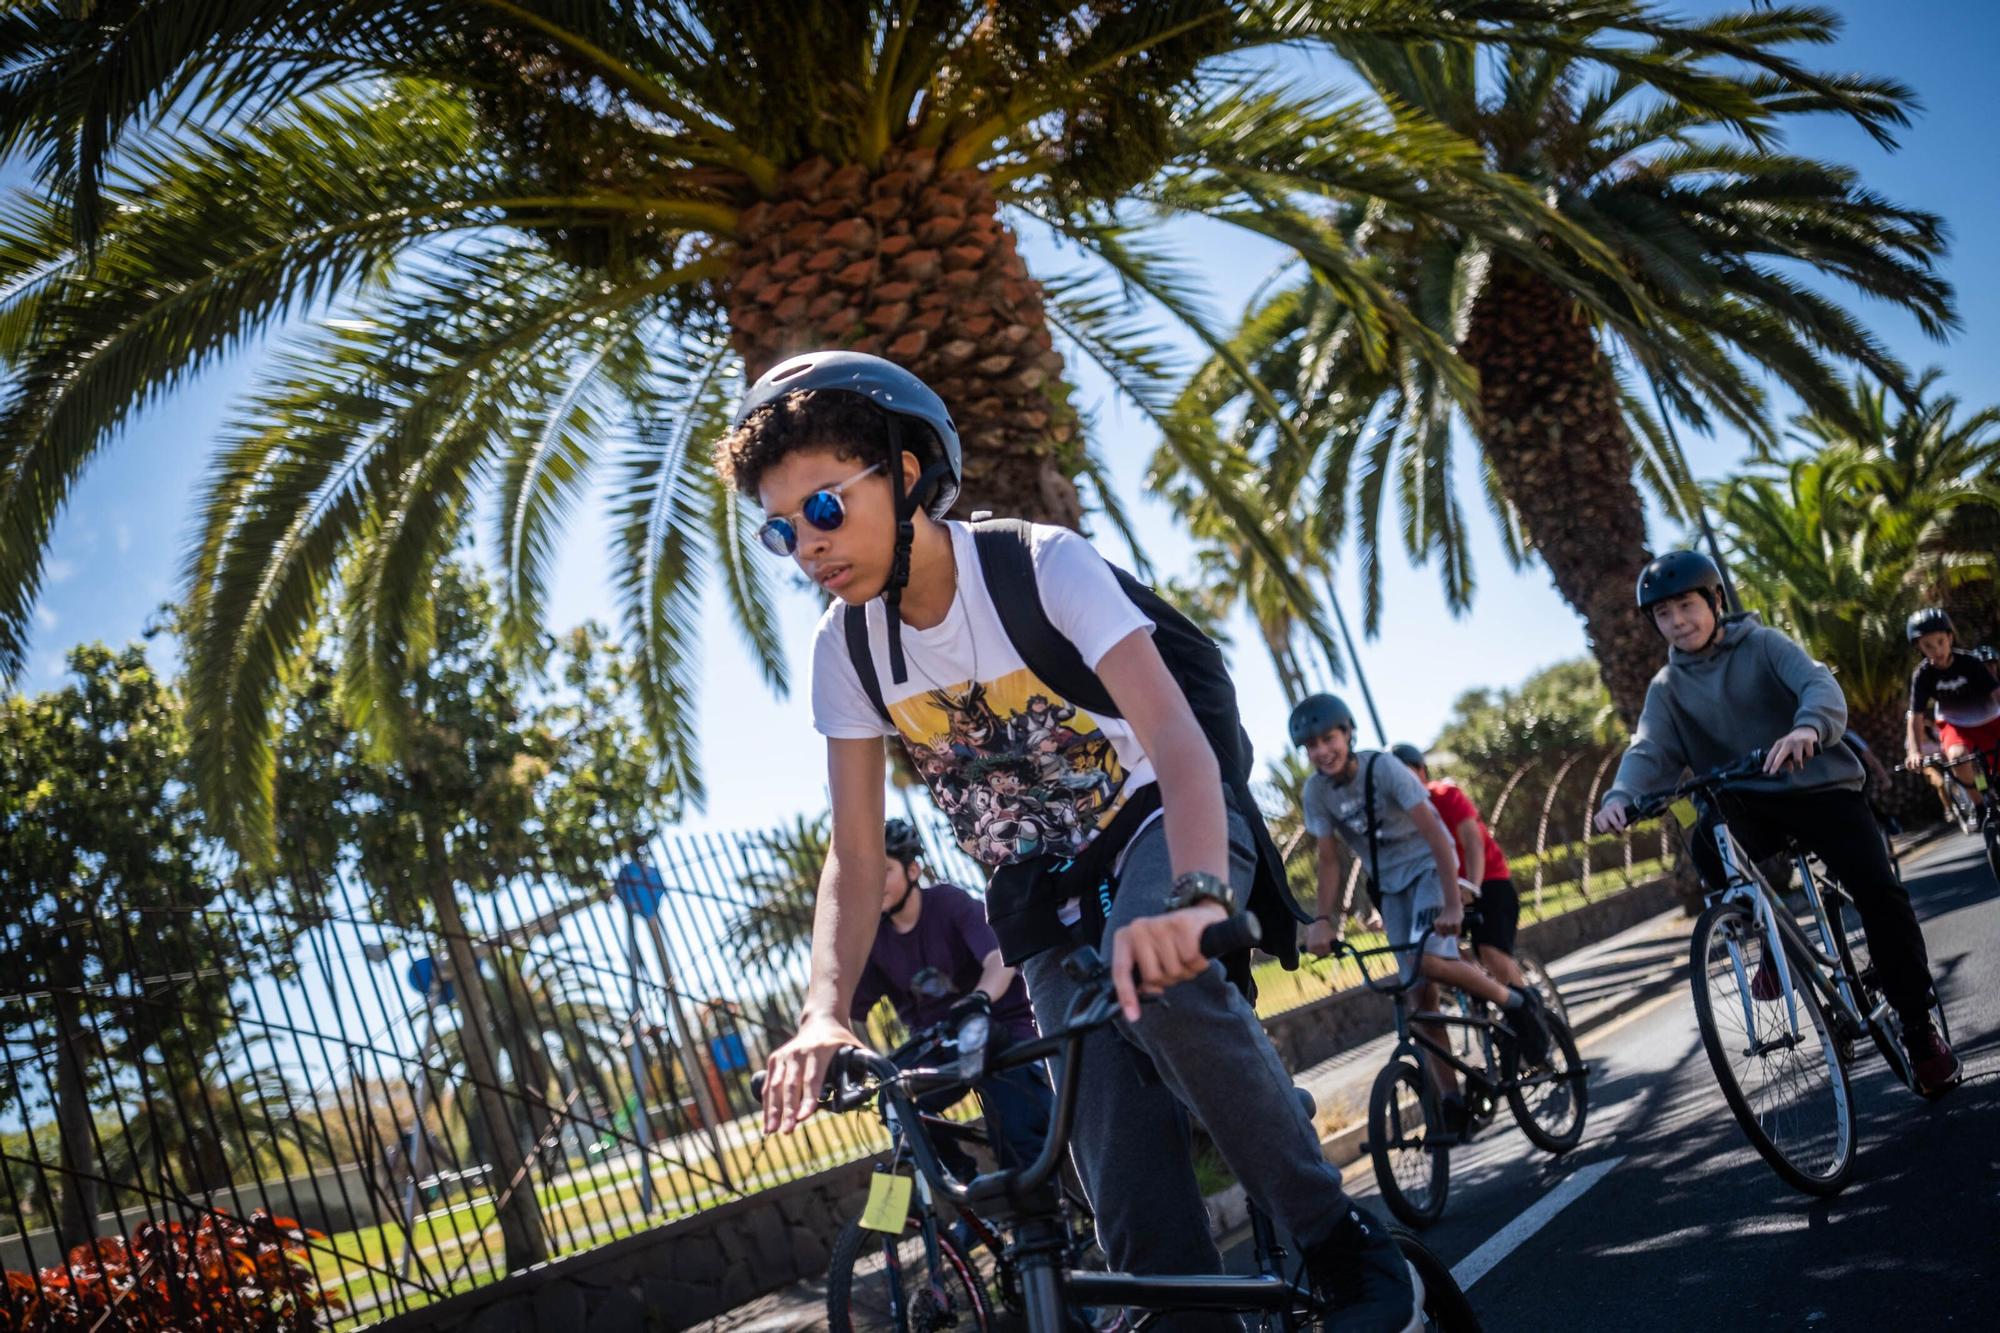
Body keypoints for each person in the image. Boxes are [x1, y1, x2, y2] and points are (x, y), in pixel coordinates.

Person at [722, 350, 1421, 1332]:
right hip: (1041, 892)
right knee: (1124, 1196)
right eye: (778, 529)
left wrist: (1190, 894)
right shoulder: (844, 649)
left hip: (1161, 821)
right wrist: (823, 1011)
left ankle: (1337, 1238)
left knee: (1163, 979)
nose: (806, 546)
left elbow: (1178, 742)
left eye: (824, 509)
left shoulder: (1037, 566)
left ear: (908, 471)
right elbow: (852, 849)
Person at [1595, 551, 1960, 1095]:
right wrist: (1622, 795)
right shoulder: (1666, 688)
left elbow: (1819, 687)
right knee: (1705, 843)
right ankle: (1771, 941)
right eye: (1663, 614)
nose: (1677, 621)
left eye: (1686, 606)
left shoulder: (1764, 645)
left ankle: (1917, 1027)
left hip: (1819, 788)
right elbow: (1649, 748)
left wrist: (1807, 729)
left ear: (1716, 601)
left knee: (1879, 892)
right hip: (1748, 802)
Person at [1293, 695, 1554, 1138]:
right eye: (1311, 745)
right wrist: (1323, 921)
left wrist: (1454, 903)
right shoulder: (1316, 792)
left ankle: (1516, 1003)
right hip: (1391, 888)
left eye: (1329, 738)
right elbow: (1329, 860)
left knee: (1428, 960)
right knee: (1419, 999)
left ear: (1348, 734)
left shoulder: (1385, 769)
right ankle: (1452, 1101)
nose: (1322, 751)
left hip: (1431, 869)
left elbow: (1437, 834)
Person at [851, 817, 1051, 1177]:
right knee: (896, 1103)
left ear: (913, 870)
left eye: (884, 871)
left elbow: (999, 960)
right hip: (938, 1045)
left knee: (1016, 1126)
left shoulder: (948, 903)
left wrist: (978, 999)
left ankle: (1038, 1224)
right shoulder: (874, 938)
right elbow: (852, 1009)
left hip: (997, 1031)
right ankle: (969, 1196)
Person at [1389, 743, 1527, 990]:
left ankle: (1527, 1014)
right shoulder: (1396, 820)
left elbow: (1473, 842)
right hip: (1443, 893)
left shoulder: (1445, 795)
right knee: (1439, 960)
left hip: (1488, 881)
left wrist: (1473, 886)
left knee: (1490, 952)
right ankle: (1484, 1007)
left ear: (1421, 771)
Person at [1902, 606, 2000, 815]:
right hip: (1955, 723)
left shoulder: (1970, 662)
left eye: (1940, 642)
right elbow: (1916, 716)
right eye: (1928, 646)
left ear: (1950, 638)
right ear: (1920, 647)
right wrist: (1914, 751)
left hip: (1989, 717)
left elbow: (1996, 694)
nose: (1937, 650)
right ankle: (1980, 806)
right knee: (1957, 756)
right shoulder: (1922, 675)